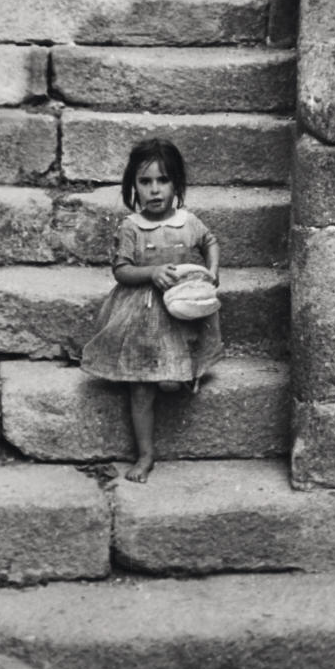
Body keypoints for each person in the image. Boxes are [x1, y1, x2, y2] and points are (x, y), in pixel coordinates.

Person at [80, 139, 223, 483]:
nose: (155, 190)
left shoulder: (189, 222)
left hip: (180, 317)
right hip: (141, 318)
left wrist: (213, 272)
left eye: (163, 181)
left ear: (176, 184)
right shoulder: (131, 227)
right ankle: (146, 453)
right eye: (145, 182)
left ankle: (175, 376)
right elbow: (121, 270)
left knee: (173, 376)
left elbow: (210, 242)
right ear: (134, 187)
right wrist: (151, 272)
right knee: (141, 388)